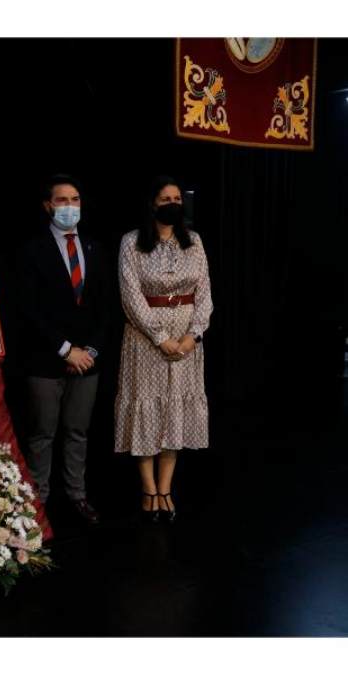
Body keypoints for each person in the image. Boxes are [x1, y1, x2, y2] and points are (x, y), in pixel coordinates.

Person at [114, 175, 213, 523]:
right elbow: (130, 295)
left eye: (177, 199)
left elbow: (205, 293)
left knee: (174, 411)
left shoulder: (194, 242)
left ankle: (166, 488)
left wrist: (192, 336)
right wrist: (160, 337)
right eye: (165, 199)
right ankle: (149, 489)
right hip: (145, 341)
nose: (173, 204)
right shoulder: (131, 242)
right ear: (152, 204)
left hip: (186, 342)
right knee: (146, 408)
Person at [17, 174, 110, 526]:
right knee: (42, 434)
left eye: (75, 199)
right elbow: (28, 309)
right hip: (45, 360)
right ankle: (37, 503)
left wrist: (90, 352)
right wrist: (66, 350)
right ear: (48, 206)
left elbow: (105, 309)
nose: (70, 206)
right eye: (62, 200)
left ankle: (77, 495)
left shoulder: (95, 248)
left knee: (77, 432)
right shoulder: (31, 250)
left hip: (87, 362)